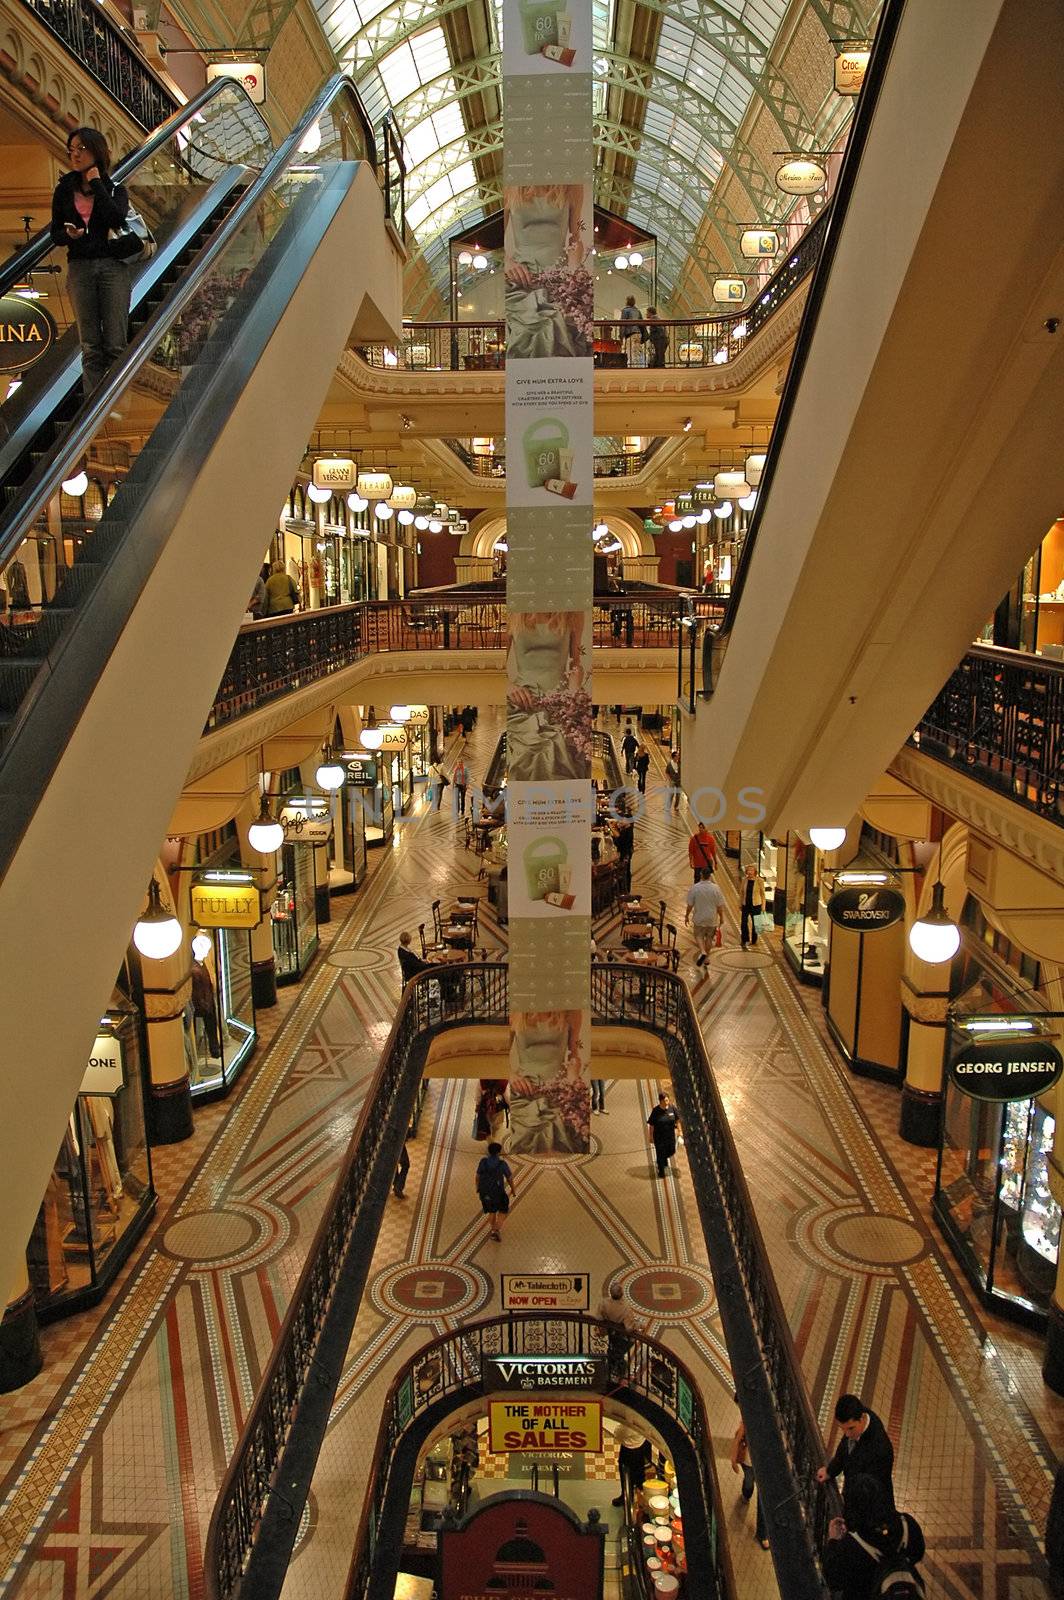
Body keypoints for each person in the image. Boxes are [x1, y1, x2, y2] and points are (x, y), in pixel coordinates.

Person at [51, 127, 133, 396]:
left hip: (112, 267)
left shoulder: (115, 190)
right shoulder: (63, 190)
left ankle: (116, 403)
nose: (74, 154)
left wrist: (97, 183)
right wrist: (69, 233)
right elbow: (55, 234)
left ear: (96, 151)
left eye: (80, 149)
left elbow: (116, 219)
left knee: (115, 344)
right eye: (71, 149)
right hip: (80, 267)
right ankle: (92, 408)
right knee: (90, 345)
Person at [504, 184, 590, 360]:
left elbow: (576, 239)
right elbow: (494, 242)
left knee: (566, 322)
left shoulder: (572, 187)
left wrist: (574, 271)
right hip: (521, 280)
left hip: (561, 281)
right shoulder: (509, 187)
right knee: (528, 331)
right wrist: (507, 262)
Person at [507, 611, 589, 781]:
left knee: (569, 748)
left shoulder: (573, 613)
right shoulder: (511, 613)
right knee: (524, 755)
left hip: (561, 700)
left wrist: (573, 694)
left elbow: (576, 665)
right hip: (523, 701)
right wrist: (509, 687)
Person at [822, 1474, 925, 1600]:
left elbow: (832, 1579)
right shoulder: (908, 1525)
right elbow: (918, 1553)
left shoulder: (852, 1546)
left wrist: (833, 1540)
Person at [508, 1010, 588, 1154]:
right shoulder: (514, 1012)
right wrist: (511, 1076)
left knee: (567, 1137)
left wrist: (573, 1074)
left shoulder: (571, 1012)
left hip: (560, 1091)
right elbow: (500, 1056)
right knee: (526, 1137)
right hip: (525, 1091)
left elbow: (574, 1055)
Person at [816, 1395, 896, 1511]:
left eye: (850, 1429)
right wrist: (830, 1471)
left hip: (870, 1506)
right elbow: (845, 1449)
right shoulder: (858, 1419)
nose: (846, 1434)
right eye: (842, 1429)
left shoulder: (881, 1451)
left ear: (862, 1418)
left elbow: (869, 1493)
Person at [731, 1406, 768, 1549]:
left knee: (762, 1500)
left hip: (764, 1468)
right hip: (749, 1464)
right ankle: (746, 1494)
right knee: (748, 1484)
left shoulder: (769, 1430)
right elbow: (737, 1440)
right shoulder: (747, 1423)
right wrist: (733, 1460)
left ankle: (762, 1533)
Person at [598, 1282, 641, 1381]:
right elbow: (629, 1327)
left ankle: (610, 1372)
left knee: (613, 1350)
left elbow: (599, 1317)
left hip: (611, 1334)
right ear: (622, 1294)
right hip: (623, 1338)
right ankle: (620, 1375)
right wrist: (639, 1325)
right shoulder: (625, 1308)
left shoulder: (604, 1303)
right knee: (619, 1354)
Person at [475, 1140, 515, 1241]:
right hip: (498, 1192)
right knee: (503, 1210)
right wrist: (513, 1189)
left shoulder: (483, 1161)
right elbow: (509, 1178)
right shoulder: (502, 1164)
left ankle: (493, 1230)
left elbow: (477, 1176)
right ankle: (495, 1230)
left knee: (491, 1211)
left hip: (485, 1192)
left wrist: (478, 1188)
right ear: (498, 1152)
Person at [685, 874, 725, 966]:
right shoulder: (716, 888)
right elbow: (719, 906)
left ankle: (703, 951)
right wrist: (721, 917)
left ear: (701, 876)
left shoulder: (695, 888)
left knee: (698, 935)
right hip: (712, 918)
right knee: (709, 938)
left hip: (699, 917)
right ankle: (706, 957)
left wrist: (686, 915)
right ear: (709, 877)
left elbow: (690, 905)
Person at [612, 1427, 653, 1508]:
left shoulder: (628, 1426)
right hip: (644, 1445)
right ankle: (641, 1498)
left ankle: (627, 1497)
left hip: (629, 1451)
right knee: (641, 1474)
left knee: (626, 1475)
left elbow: (618, 1433)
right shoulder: (645, 1421)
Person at [647, 1090, 680, 1178]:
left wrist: (678, 1130)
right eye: (665, 1101)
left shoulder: (672, 1108)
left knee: (671, 1150)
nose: (667, 1102)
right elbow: (651, 1125)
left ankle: (662, 1159)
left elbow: (677, 1119)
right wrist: (650, 1136)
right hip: (659, 1136)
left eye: (667, 1100)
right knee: (660, 1153)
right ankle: (661, 1170)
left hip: (670, 1136)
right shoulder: (656, 1111)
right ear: (661, 1101)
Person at [740, 863, 767, 948]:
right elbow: (741, 892)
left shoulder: (760, 881)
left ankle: (754, 940)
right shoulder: (744, 880)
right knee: (744, 923)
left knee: (755, 924)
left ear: (755, 871)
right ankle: (745, 939)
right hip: (746, 904)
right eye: (748, 870)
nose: (750, 872)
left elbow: (763, 894)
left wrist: (763, 906)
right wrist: (740, 903)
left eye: (751, 870)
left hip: (756, 905)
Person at [610, 812, 635, 896]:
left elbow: (618, 841)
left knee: (626, 871)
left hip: (625, 854)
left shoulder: (627, 832)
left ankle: (624, 889)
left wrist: (613, 829)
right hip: (626, 853)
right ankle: (625, 889)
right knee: (627, 871)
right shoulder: (627, 829)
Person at [619, 294, 642, 364]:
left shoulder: (625, 311)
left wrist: (621, 336)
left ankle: (631, 368)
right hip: (638, 334)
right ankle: (637, 367)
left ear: (627, 302)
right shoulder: (638, 311)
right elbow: (641, 323)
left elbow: (622, 325)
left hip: (630, 334)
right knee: (636, 353)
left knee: (629, 353)